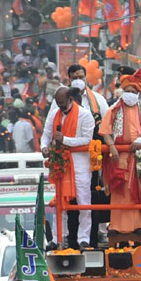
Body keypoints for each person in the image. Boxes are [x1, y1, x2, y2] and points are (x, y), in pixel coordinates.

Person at [100, 68, 141, 242]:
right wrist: (112, 147)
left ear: (138, 93)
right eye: (127, 91)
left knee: (138, 191)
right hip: (119, 157)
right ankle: (116, 227)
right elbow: (105, 131)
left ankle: (140, 226)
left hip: (139, 156)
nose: (130, 94)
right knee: (120, 191)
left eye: (133, 92)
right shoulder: (114, 109)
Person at [40, 86, 96, 249]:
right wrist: (44, 147)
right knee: (60, 203)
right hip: (60, 164)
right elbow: (46, 135)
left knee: (84, 202)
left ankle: (83, 239)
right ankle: (59, 239)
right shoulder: (54, 114)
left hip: (80, 165)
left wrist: (65, 140)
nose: (60, 107)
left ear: (71, 99)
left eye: (63, 103)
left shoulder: (85, 116)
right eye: (58, 103)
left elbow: (86, 140)